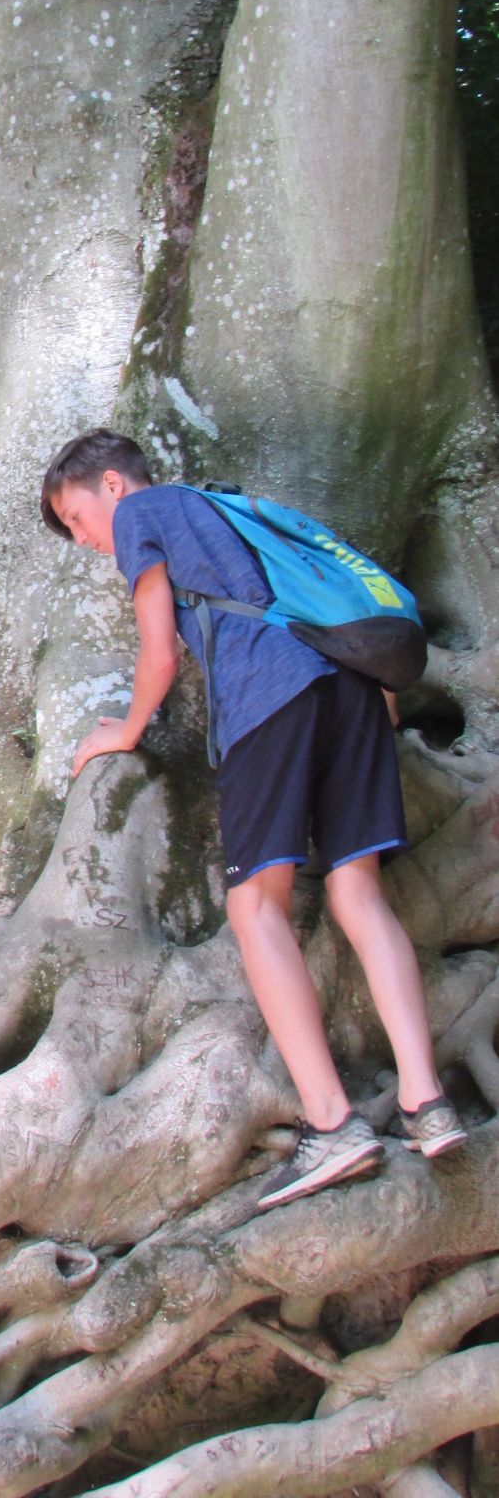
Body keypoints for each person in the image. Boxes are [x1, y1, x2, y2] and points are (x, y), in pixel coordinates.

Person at [40, 428, 466, 1209]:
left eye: (76, 517)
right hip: (355, 688)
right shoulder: (233, 507)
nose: (85, 538)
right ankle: (426, 1101)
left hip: (272, 693)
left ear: (112, 484)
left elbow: (160, 653)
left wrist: (123, 732)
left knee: (255, 906)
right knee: (358, 892)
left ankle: (332, 1122)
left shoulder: (143, 514)